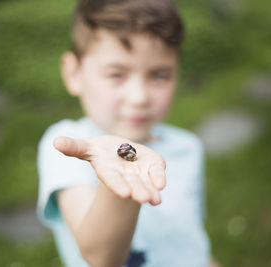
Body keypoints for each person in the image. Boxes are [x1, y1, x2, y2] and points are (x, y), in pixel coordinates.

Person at [37, 0, 219, 266]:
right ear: (74, 72)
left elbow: (190, 241)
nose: (139, 97)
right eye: (116, 74)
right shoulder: (69, 147)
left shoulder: (188, 147)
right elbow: (100, 257)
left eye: (159, 75)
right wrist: (120, 183)